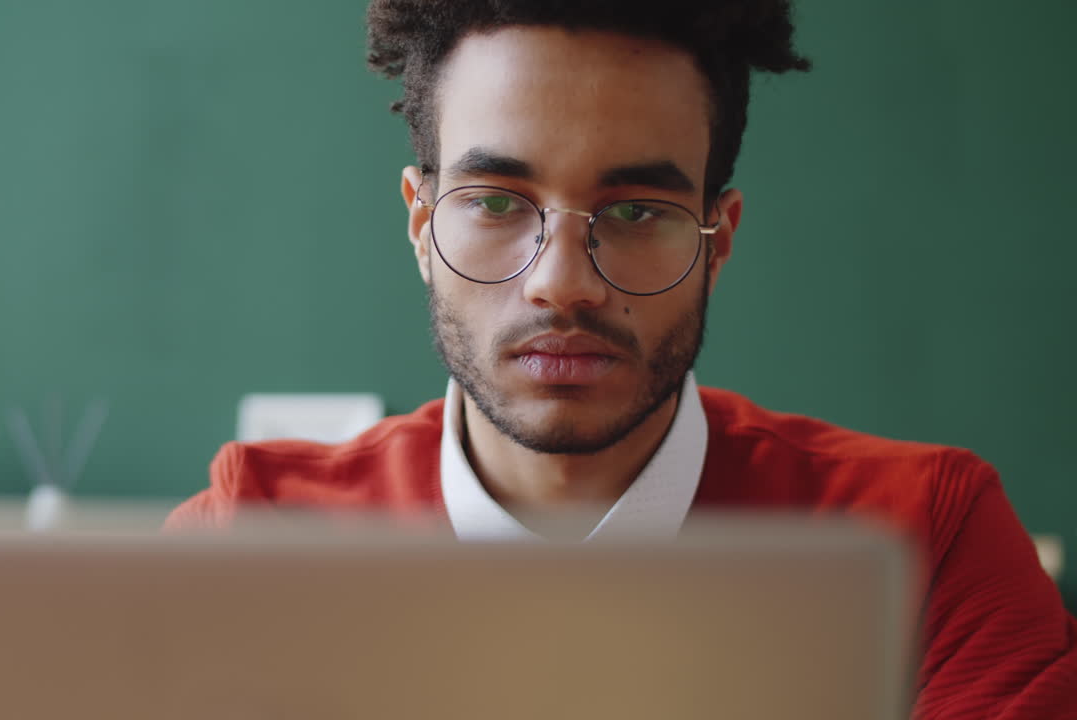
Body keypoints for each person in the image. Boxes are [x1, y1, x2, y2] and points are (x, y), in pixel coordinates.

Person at [167, 1, 1077, 715]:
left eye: (638, 210)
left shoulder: (924, 542)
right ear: (420, 221)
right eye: (495, 202)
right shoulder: (252, 536)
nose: (562, 286)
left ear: (718, 242)